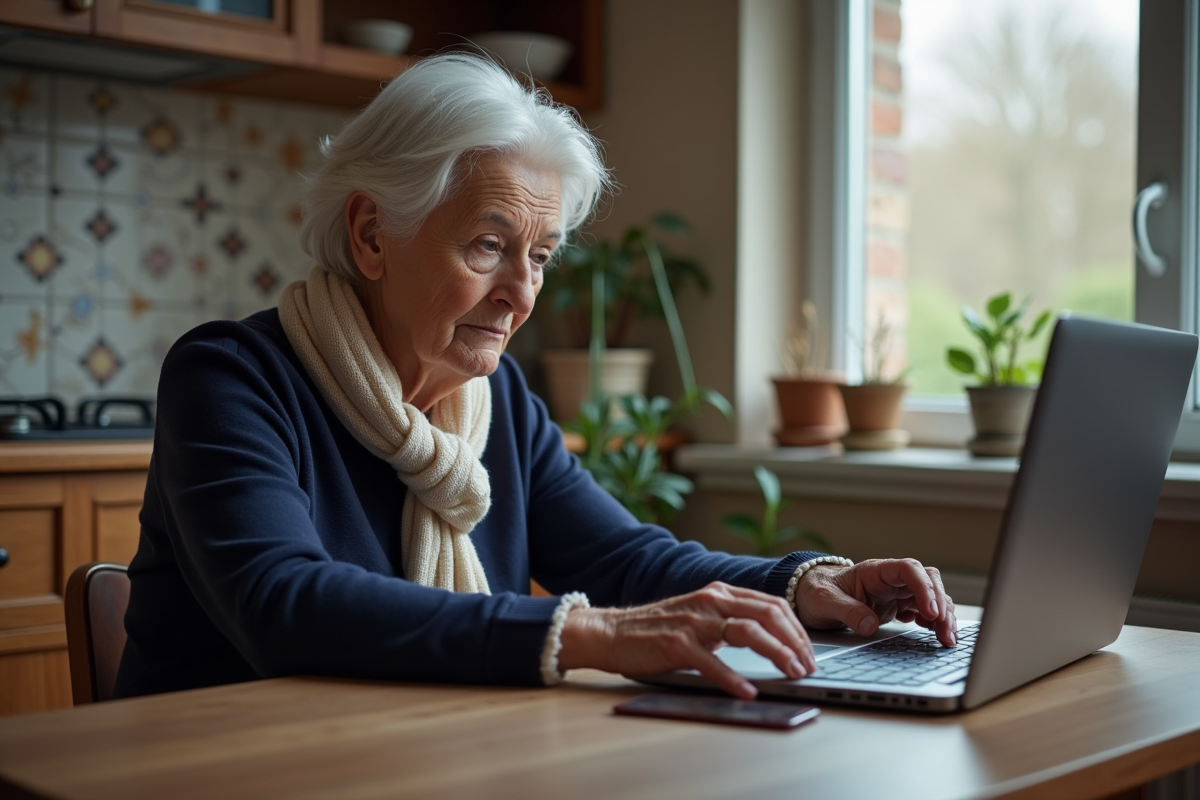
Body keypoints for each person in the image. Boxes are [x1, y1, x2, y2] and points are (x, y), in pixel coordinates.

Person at [114, 54, 956, 702]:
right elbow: (282, 602)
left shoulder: (498, 403)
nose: (521, 295)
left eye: (541, 257)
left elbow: (626, 558)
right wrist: (587, 634)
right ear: (371, 234)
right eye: (489, 246)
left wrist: (807, 585)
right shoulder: (233, 377)